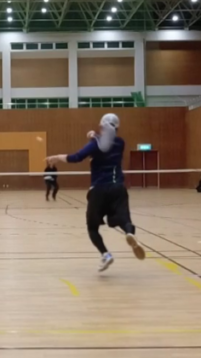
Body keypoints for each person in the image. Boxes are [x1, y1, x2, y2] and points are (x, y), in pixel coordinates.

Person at [47, 113, 146, 272]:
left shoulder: (95, 144)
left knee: (92, 228)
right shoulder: (120, 143)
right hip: (118, 188)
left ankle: (106, 254)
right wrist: (94, 136)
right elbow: (105, 143)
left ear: (102, 126)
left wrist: (57, 157)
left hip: (98, 190)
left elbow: (77, 157)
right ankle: (129, 233)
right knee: (123, 219)